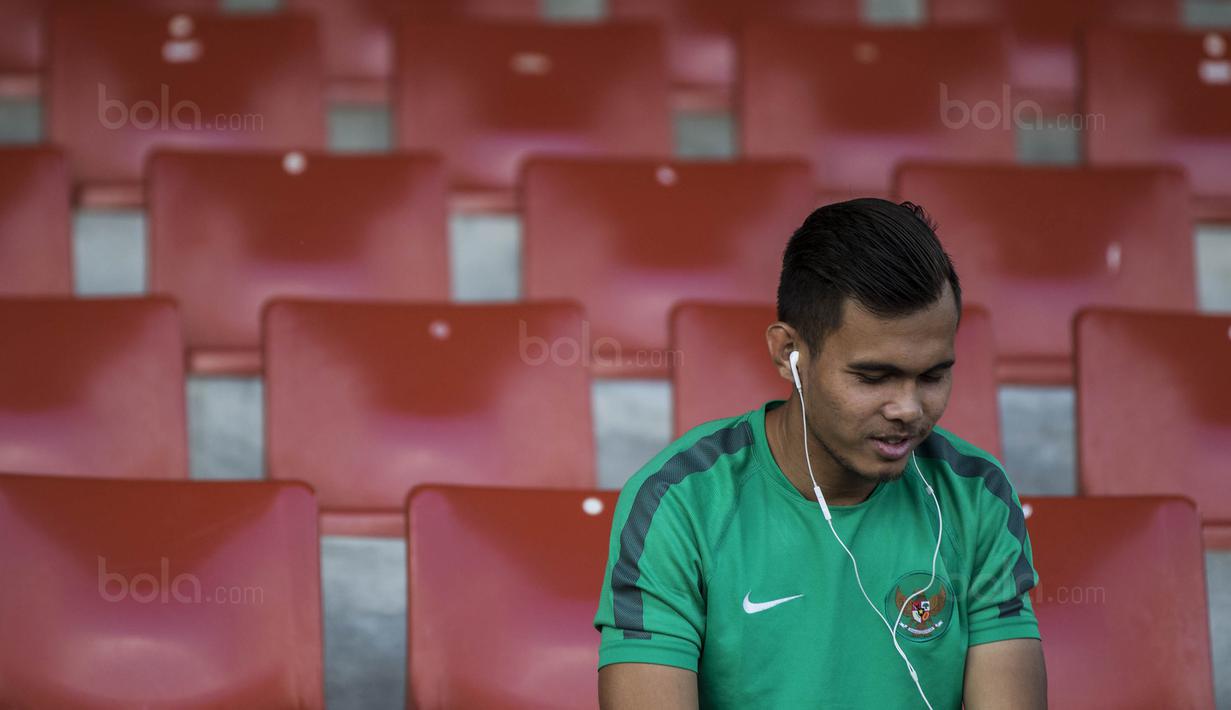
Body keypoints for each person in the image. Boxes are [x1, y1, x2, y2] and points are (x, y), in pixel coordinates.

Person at [594, 199, 1047, 709]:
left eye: (933, 375)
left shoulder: (978, 496)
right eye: (873, 377)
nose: (908, 408)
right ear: (788, 353)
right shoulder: (677, 502)